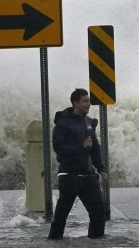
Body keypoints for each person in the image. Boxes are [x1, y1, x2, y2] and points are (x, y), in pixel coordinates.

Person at [48, 88, 108, 240]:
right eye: (85, 101)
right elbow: (59, 149)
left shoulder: (88, 123)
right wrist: (81, 145)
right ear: (75, 102)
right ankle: (54, 242)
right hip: (69, 176)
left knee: (99, 213)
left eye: (89, 101)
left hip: (88, 176)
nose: (89, 104)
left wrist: (101, 168)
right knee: (61, 216)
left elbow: (95, 148)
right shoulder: (63, 124)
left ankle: (95, 242)